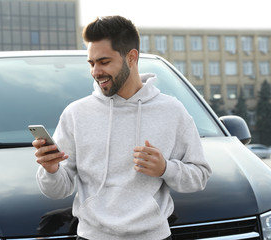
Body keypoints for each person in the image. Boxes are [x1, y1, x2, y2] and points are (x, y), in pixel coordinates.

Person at [33, 15, 212, 240]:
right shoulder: (76, 114)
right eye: (92, 63)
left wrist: (166, 168)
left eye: (104, 62)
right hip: (92, 236)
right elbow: (58, 189)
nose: (95, 71)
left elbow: (200, 176)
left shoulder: (172, 111)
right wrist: (51, 170)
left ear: (131, 57)